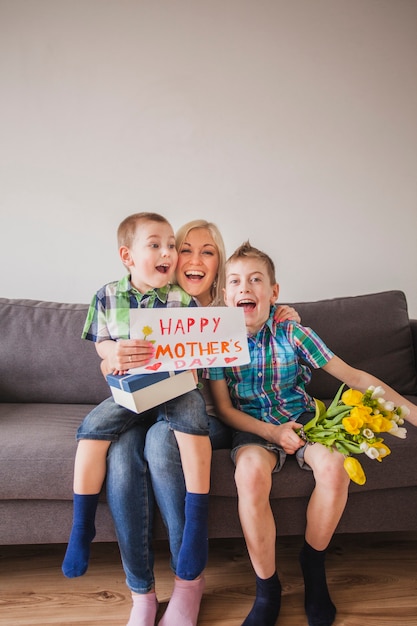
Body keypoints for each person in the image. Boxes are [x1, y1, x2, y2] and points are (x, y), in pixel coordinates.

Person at [98, 220, 301, 626]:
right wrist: (110, 357)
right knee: (120, 453)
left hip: (210, 419)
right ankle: (141, 593)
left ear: (219, 263)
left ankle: (188, 581)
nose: (193, 259)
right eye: (185, 250)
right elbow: (112, 353)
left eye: (207, 252)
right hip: (151, 407)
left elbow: (265, 316)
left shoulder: (232, 305)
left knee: (161, 442)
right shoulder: (158, 303)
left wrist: (283, 313)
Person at [204, 241, 417, 626]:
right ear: (225, 294)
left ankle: (313, 564)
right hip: (254, 425)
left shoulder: (294, 334)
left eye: (256, 280)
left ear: (274, 292)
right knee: (248, 474)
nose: (245, 287)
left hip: (303, 419)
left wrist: (414, 413)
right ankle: (266, 587)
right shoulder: (218, 342)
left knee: (335, 466)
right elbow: (223, 410)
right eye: (235, 281)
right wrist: (271, 431)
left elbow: (355, 378)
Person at [62, 213, 213, 626]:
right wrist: (109, 354)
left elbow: (197, 352)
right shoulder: (108, 295)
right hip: (131, 395)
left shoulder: (183, 300)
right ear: (128, 256)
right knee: (94, 431)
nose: (168, 253)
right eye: (157, 246)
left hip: (175, 389)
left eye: (171, 245)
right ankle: (83, 528)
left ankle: (196, 527)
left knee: (192, 414)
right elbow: (102, 344)